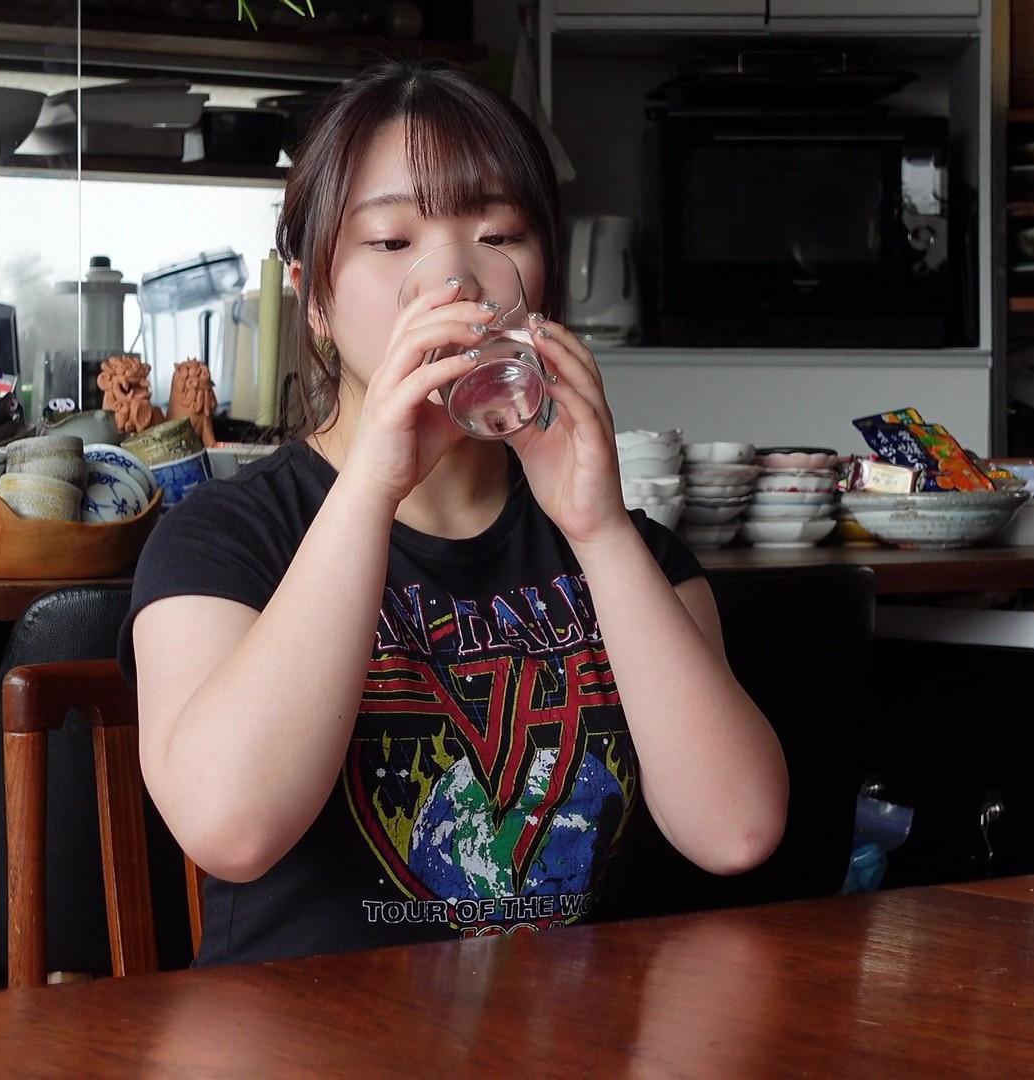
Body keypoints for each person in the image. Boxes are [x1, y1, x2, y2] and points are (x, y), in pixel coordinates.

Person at [122, 60, 788, 967]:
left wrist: (600, 531)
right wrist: (371, 488)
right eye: (392, 240)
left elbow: (736, 831)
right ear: (314, 298)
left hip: (568, 1031)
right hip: (309, 1032)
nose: (459, 282)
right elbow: (231, 828)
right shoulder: (227, 538)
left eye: (500, 233)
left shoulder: (627, 551)